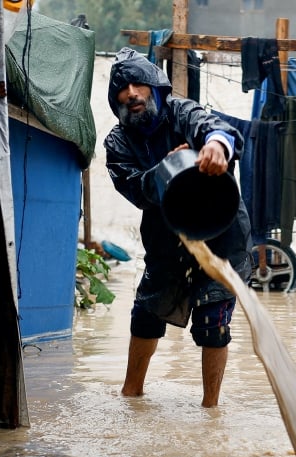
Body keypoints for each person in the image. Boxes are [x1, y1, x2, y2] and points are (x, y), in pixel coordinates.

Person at [104, 48, 252, 408]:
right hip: (166, 237)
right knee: (145, 315)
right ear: (117, 101)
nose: (132, 93)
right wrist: (168, 168)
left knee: (213, 324)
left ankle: (210, 410)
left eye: (139, 84)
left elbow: (215, 128)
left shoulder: (182, 112)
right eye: (123, 89)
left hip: (220, 234)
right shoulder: (117, 142)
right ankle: (131, 395)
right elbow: (136, 189)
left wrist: (217, 145)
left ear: (155, 88)